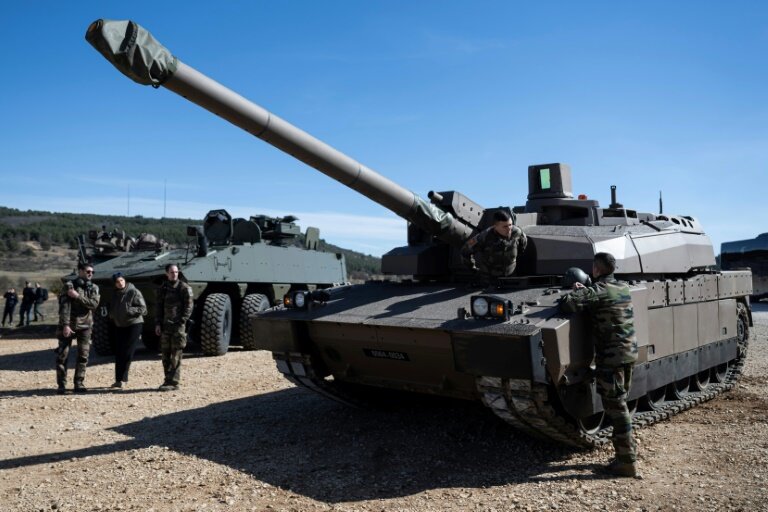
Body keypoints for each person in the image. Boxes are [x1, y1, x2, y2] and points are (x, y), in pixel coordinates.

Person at [559, 252, 638, 477]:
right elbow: (602, 294)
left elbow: (568, 304)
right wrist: (587, 289)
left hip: (611, 358)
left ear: (595, 270)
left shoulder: (598, 292)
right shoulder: (621, 287)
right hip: (627, 354)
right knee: (620, 403)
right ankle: (627, 452)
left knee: (616, 407)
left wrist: (579, 291)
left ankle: (627, 461)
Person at [56, 263, 100, 394]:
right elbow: (65, 307)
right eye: (87, 271)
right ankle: (62, 385)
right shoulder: (69, 286)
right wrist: (65, 325)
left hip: (85, 325)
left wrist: (78, 296)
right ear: (80, 271)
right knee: (62, 356)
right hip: (68, 325)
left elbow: (94, 304)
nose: (90, 274)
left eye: (92, 272)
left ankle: (79, 383)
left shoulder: (94, 287)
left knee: (83, 356)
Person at [154, 264, 193, 391]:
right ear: (167, 274)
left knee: (176, 355)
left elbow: (189, 306)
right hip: (165, 326)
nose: (174, 274)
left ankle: (174, 382)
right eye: (171, 272)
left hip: (178, 326)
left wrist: (182, 321)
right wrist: (158, 323)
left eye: (176, 272)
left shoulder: (184, 288)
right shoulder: (163, 288)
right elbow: (159, 307)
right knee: (165, 355)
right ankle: (167, 380)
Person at [108, 272, 147, 389]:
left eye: (122, 280)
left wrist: (129, 310)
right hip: (120, 325)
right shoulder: (115, 294)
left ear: (124, 280)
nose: (120, 283)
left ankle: (124, 379)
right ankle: (118, 380)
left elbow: (143, 309)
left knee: (127, 351)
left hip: (134, 324)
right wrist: (111, 315)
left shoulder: (133, 292)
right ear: (115, 284)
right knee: (119, 352)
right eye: (117, 282)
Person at [461, 210, 527, 278]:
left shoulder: (517, 232)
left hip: (510, 277)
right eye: (505, 226)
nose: (509, 229)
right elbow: (465, 250)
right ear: (495, 226)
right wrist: (473, 269)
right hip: (489, 279)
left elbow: (523, 245)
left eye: (510, 225)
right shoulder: (484, 236)